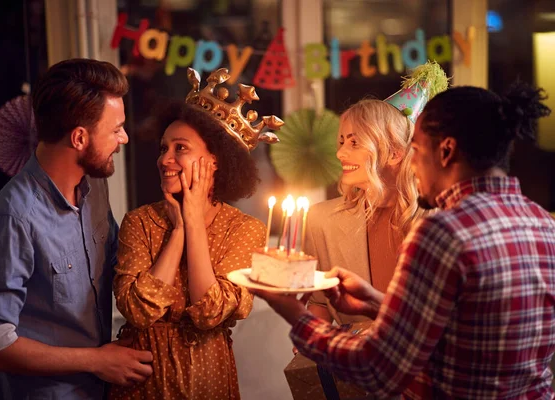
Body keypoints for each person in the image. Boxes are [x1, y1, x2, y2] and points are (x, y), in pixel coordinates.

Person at [256, 80, 555, 399]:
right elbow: (464, 327)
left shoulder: (442, 233)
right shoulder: (541, 222)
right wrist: (375, 301)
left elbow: (377, 369)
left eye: (416, 150)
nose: (412, 164)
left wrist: (291, 311)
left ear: (446, 150)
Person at [0, 58, 154, 399]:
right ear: (80, 137)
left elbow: (116, 262)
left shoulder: (94, 186)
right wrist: (96, 361)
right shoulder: (12, 219)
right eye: (115, 129)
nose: (124, 138)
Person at [109, 67, 279, 399]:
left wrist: (194, 225)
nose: (165, 159)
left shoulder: (245, 229)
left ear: (215, 161)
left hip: (209, 377)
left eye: (180, 148)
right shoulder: (140, 221)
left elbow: (210, 312)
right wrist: (179, 232)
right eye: (163, 148)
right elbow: (138, 311)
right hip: (144, 380)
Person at [304, 61, 448, 329]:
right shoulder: (320, 220)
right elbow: (319, 302)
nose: (340, 153)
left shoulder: (441, 220)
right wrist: (313, 335)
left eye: (355, 142)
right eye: (342, 141)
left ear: (395, 153)